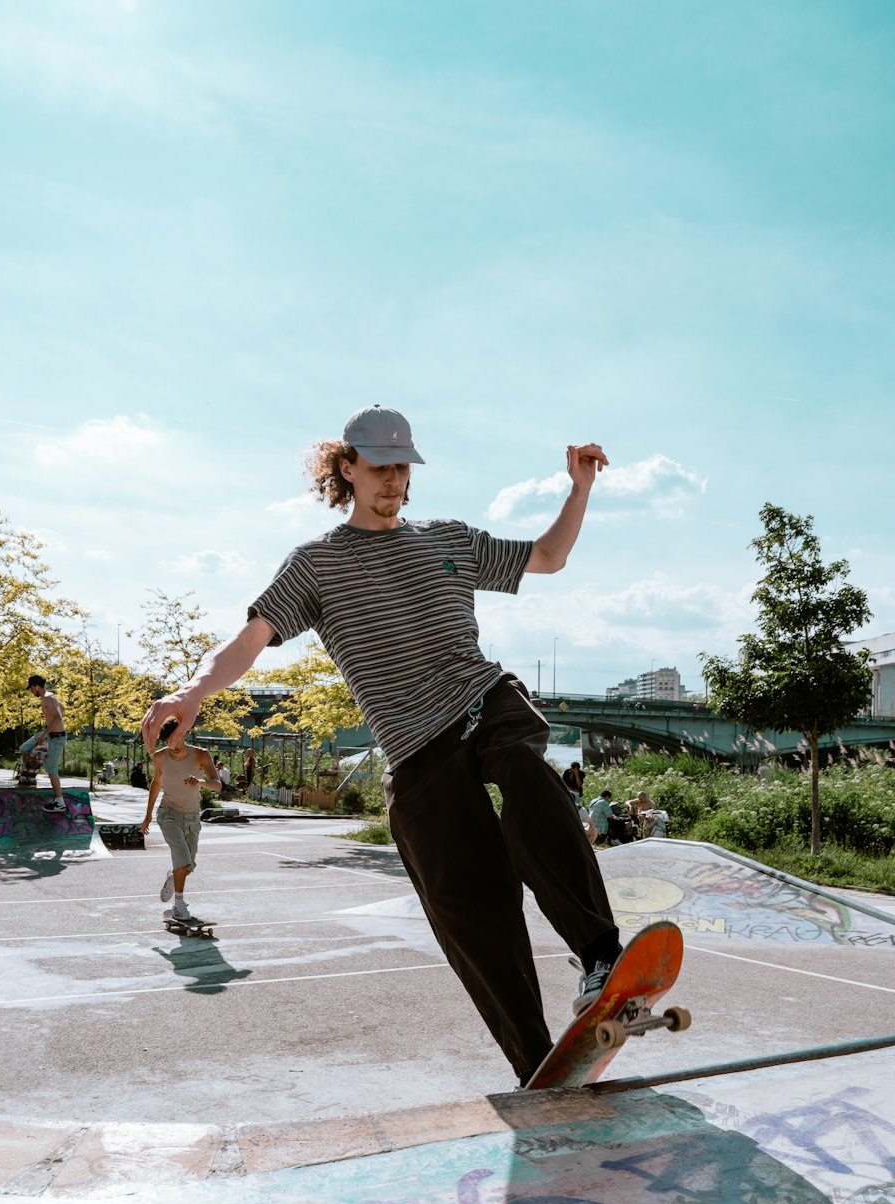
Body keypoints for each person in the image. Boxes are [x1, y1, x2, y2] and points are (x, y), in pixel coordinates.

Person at [142, 403, 621, 1087]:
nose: (394, 480)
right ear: (348, 468)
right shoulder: (317, 565)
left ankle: (601, 952)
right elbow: (249, 642)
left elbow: (548, 558)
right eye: (379, 467)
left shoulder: (449, 538)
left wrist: (579, 488)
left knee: (522, 768)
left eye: (402, 467)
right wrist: (191, 693)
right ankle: (536, 1060)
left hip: (483, 703)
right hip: (416, 750)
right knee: (469, 903)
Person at [140, 720, 221, 925]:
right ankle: (178, 904)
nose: (172, 744)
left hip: (192, 818)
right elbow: (156, 783)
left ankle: (172, 874)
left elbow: (217, 785)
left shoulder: (201, 755)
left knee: (188, 866)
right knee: (183, 859)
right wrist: (148, 815)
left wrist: (201, 782)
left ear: (183, 734)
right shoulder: (159, 757)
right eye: (167, 741)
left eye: (174, 738)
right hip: (169, 815)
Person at [21, 675, 68, 811]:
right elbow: (63, 708)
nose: (31, 692)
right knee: (25, 748)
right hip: (49, 733)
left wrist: (45, 734)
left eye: (31, 689)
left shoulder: (48, 698)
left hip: (56, 738)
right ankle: (30, 778)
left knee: (51, 769)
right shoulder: (49, 697)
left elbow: (59, 717)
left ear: (36, 686)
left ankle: (60, 803)